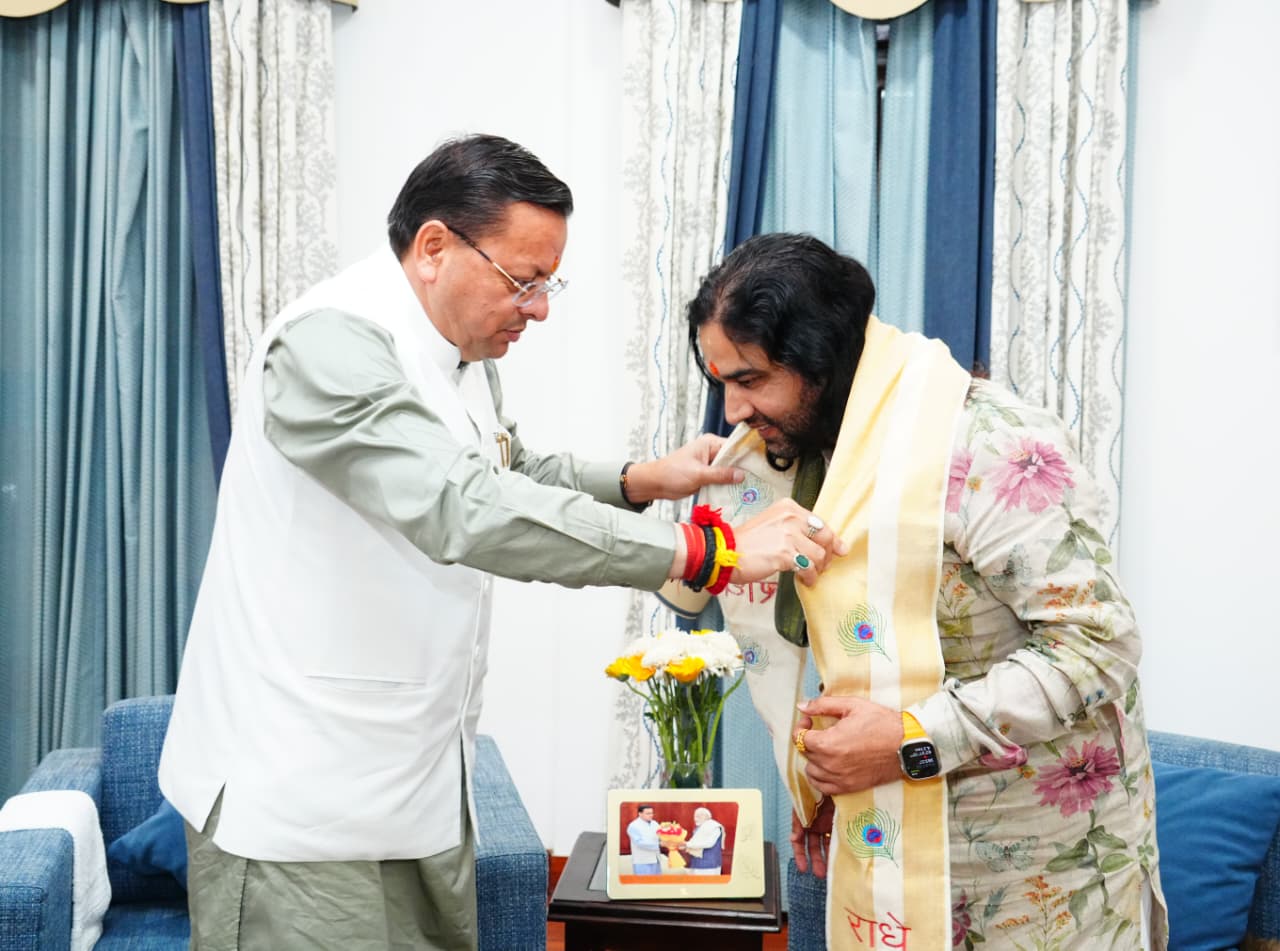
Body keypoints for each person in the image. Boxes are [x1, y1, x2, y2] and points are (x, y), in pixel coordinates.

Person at [156, 136, 845, 951]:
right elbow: (465, 504)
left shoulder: (462, 358)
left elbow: (509, 467)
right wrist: (702, 553)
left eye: (549, 283)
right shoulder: (324, 348)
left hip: (415, 785)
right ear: (434, 248)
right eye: (524, 281)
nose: (540, 308)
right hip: (299, 803)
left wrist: (641, 478)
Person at [662, 233, 1168, 950]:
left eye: (751, 380)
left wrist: (909, 742)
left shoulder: (986, 443)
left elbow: (1099, 644)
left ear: (820, 359)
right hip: (894, 832)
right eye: (721, 382)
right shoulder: (815, 450)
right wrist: (831, 776)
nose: (733, 409)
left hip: (1037, 867)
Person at [679, 806, 725, 875]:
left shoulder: (714, 827)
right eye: (695, 816)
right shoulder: (699, 828)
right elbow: (694, 842)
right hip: (696, 863)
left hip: (709, 865)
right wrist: (684, 846)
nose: (695, 819)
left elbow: (709, 844)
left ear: (706, 816)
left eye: (698, 816)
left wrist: (687, 844)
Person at [626, 804, 662, 875]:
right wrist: (659, 844)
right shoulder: (633, 826)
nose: (651, 815)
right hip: (642, 861)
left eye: (652, 813)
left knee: (656, 881)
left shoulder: (655, 823)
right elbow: (639, 843)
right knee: (643, 881)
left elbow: (661, 836)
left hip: (656, 859)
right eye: (648, 813)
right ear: (640, 814)